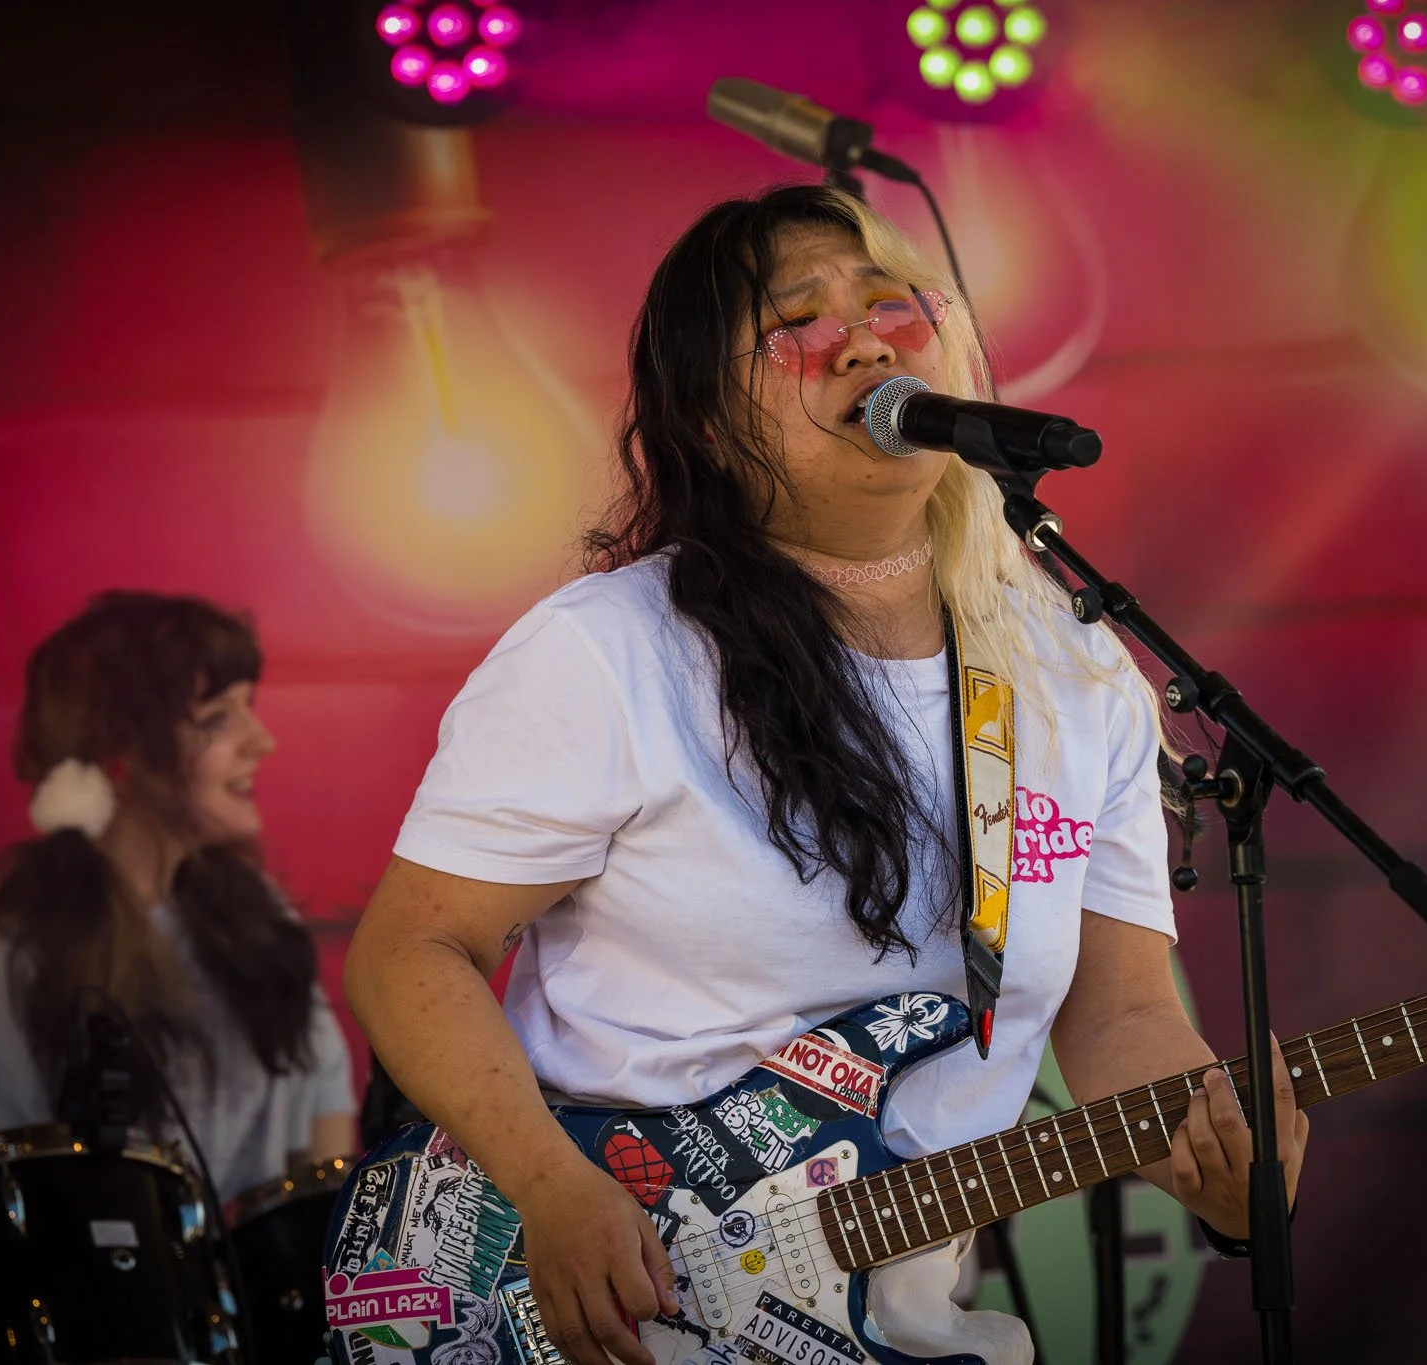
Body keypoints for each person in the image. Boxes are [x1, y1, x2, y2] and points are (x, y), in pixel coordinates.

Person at [344, 185, 1310, 1364]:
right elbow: (412, 950)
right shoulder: (608, 652)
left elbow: (1118, 1014)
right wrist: (551, 1187)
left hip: (897, 1322)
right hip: (608, 1296)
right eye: (796, 321)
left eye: (889, 303)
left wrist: (1219, 1166)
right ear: (709, 424)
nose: (861, 341)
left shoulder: (1070, 666)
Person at [0, 590, 357, 1200]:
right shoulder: (3, 954)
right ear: (121, 757)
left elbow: (325, 1127)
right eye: (217, 719)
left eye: (249, 708)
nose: (262, 741)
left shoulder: (258, 915)